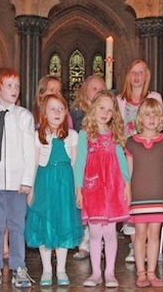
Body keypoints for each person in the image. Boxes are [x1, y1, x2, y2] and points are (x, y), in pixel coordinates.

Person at [0, 67, 36, 289]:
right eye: (9, 85)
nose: (14, 89)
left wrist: (27, 180)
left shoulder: (24, 117)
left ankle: (19, 267)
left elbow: (29, 151)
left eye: (17, 86)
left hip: (17, 184)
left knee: (17, 226)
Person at [74, 90, 131, 288]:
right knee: (95, 232)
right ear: (93, 109)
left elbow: (122, 160)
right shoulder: (85, 135)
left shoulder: (114, 135)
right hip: (93, 188)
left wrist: (127, 184)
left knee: (110, 232)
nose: (105, 113)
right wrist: (78, 188)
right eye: (101, 108)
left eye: (109, 109)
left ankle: (110, 272)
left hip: (113, 188)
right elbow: (80, 162)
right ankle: (96, 272)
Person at [25, 94, 83, 286]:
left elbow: (75, 164)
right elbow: (33, 163)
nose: (57, 113)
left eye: (61, 109)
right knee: (45, 225)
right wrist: (31, 188)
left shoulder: (73, 136)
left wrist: (77, 189)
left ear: (66, 112)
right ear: (44, 113)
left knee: (63, 223)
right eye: (52, 108)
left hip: (65, 184)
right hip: (45, 183)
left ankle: (61, 269)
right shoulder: (38, 135)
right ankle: (47, 270)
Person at [116, 58, 163, 262]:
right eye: (133, 72)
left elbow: (159, 124)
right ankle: (135, 245)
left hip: (149, 156)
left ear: (147, 75)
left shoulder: (154, 97)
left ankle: (149, 246)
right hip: (128, 155)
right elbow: (117, 128)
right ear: (128, 76)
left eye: (141, 72)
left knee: (147, 198)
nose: (137, 76)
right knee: (130, 198)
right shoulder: (120, 100)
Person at [125, 98, 163, 287]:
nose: (151, 118)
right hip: (138, 196)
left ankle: (152, 272)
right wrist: (127, 194)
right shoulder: (131, 143)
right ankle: (141, 272)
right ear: (140, 118)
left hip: (158, 195)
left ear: (161, 118)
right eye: (147, 114)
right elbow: (128, 173)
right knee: (140, 234)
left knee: (154, 234)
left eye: (155, 114)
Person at [68, 74, 106, 260]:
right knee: (85, 204)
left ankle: (101, 241)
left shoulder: (108, 115)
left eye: (101, 89)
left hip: (102, 168)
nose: (98, 92)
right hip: (84, 165)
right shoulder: (77, 113)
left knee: (101, 205)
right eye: (94, 88)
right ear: (85, 91)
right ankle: (84, 242)